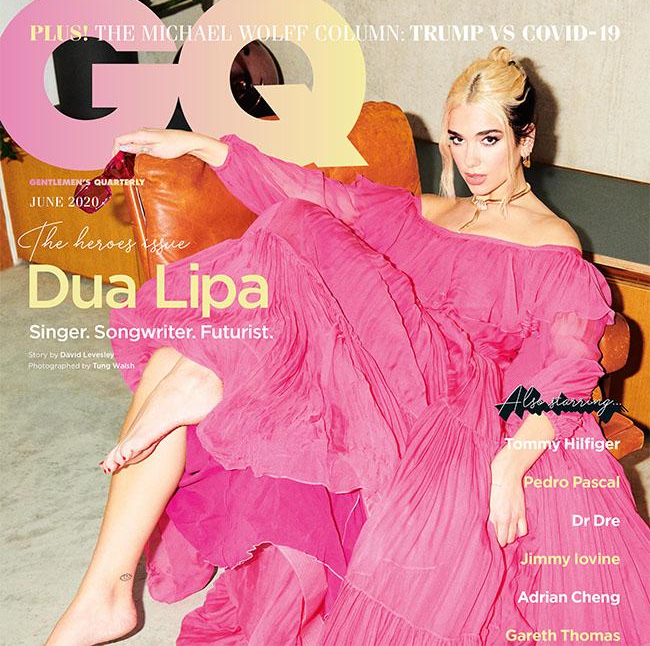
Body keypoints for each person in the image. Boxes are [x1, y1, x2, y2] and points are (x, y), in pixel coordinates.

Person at [45, 46, 650, 646]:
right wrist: (206, 148)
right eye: (457, 139)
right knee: (191, 335)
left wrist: (512, 461)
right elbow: (315, 192)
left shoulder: (552, 243)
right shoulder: (427, 212)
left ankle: (203, 382)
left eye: (488, 139)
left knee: (293, 229)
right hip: (375, 381)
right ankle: (105, 594)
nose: (470, 159)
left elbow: (565, 367)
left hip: (446, 407)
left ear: (525, 139)